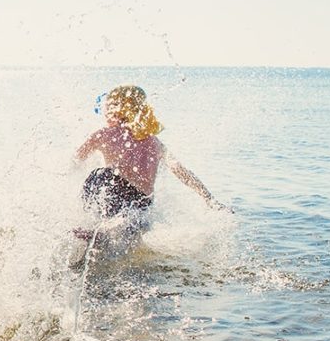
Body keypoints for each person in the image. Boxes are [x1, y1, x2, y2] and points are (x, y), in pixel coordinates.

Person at [74, 84, 224, 236]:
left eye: (106, 107)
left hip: (114, 194)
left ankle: (95, 229)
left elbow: (75, 161)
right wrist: (208, 198)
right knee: (127, 219)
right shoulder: (155, 142)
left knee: (100, 174)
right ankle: (107, 230)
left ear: (114, 109)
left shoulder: (103, 134)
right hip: (142, 206)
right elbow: (181, 171)